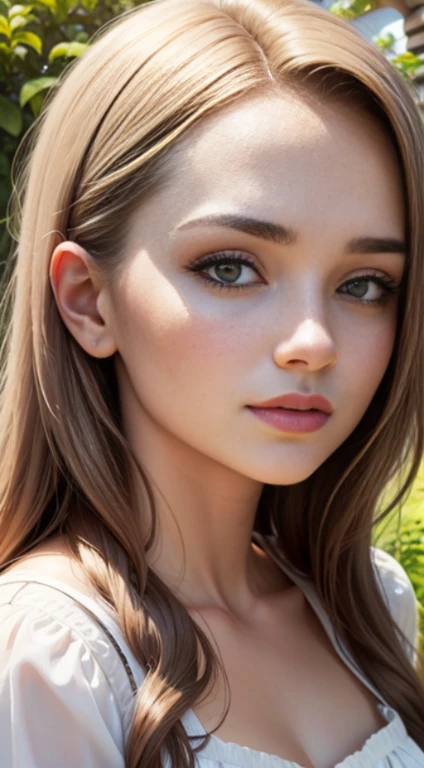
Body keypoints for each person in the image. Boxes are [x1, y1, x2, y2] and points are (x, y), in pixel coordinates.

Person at [0, 0, 423, 765]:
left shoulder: (368, 606)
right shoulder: (49, 660)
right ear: (88, 300)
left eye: (364, 284)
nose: (313, 342)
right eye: (230, 267)